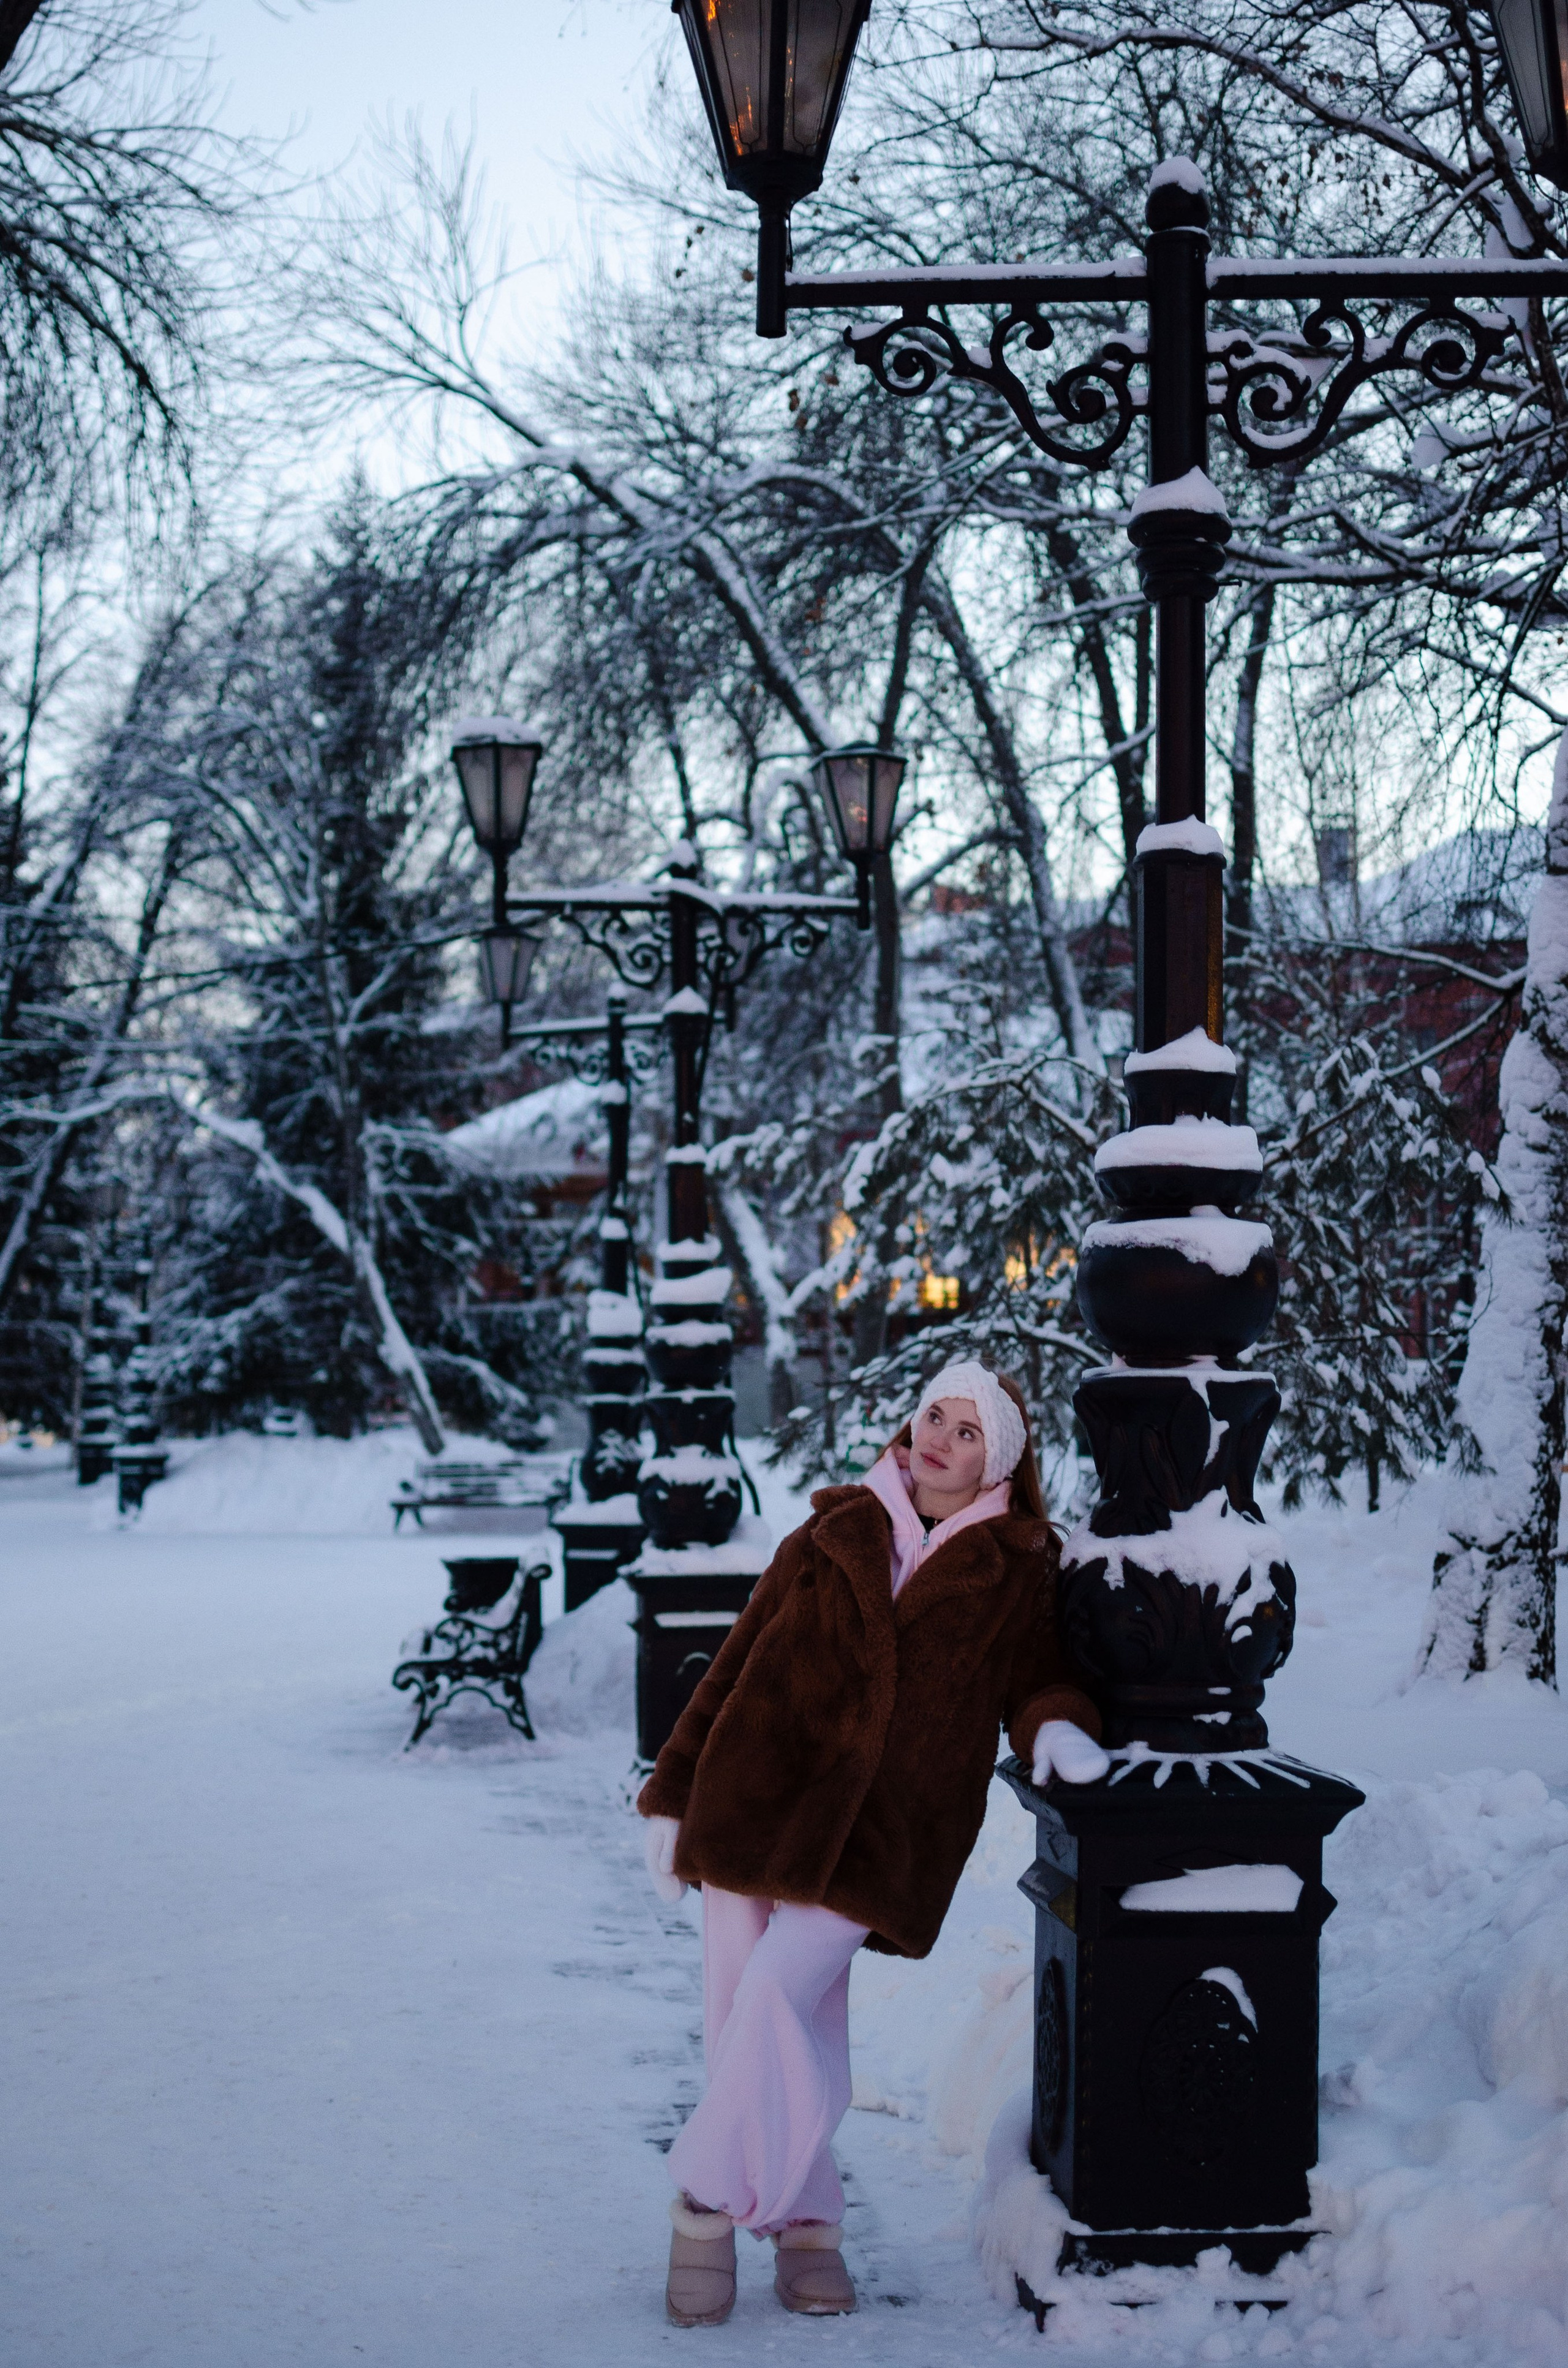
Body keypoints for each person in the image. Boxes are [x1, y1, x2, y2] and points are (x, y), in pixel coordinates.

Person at [636, 1359, 1109, 2326]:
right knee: (750, 2014)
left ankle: (702, 2208)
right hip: (753, 1798)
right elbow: (737, 1660)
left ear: (998, 1468)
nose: (940, 1436)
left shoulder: (1016, 1571)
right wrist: (673, 1791)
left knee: (777, 1994)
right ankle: (810, 2223)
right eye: (936, 1413)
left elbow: (1040, 1678)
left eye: (969, 1432)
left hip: (881, 1837)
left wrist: (1056, 1726)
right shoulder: (831, 1529)